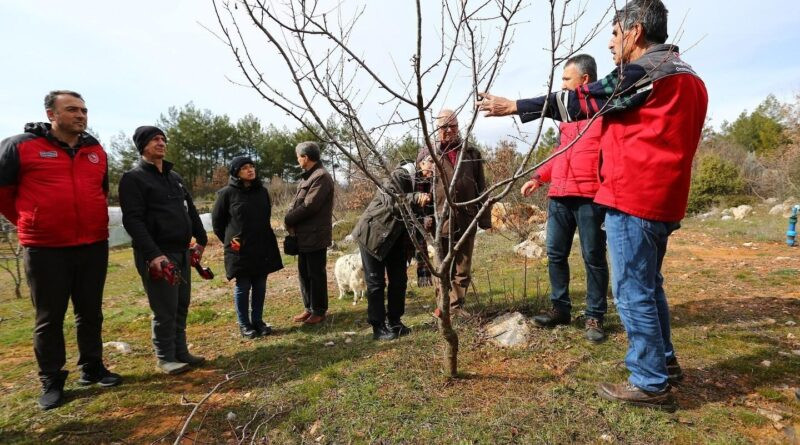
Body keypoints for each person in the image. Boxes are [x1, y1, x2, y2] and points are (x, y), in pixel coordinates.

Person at [477, 0, 707, 411]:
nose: (611, 44)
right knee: (650, 286)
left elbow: (582, 102)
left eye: (616, 34)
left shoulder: (647, 72)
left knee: (633, 290)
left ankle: (650, 380)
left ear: (636, 32)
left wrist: (515, 106)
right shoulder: (688, 75)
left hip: (634, 197)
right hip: (663, 198)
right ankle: (665, 364)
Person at [0, 90, 122, 410]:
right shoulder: (20, 146)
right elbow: (3, 195)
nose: (81, 115)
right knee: (49, 317)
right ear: (51, 114)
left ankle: (92, 367)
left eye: (83, 110)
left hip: (94, 244)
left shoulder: (95, 149)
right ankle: (51, 380)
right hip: (45, 248)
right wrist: (31, 223)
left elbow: (101, 191)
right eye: (71, 110)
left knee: (90, 312)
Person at [519, 54, 610, 343]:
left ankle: (595, 316)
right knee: (555, 254)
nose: (562, 85)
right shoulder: (567, 120)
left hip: (590, 198)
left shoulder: (605, 115)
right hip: (559, 196)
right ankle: (560, 309)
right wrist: (538, 178)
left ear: (585, 80)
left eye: (566, 79)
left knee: (593, 257)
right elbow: (559, 155)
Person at [119, 126, 208, 375]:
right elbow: (133, 221)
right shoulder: (133, 178)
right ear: (142, 146)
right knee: (164, 307)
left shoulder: (174, 177)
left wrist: (201, 239)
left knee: (181, 304)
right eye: (154, 139)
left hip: (182, 250)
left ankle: (181, 352)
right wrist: (153, 254)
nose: (161, 143)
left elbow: (190, 210)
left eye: (162, 139)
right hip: (158, 255)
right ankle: (165, 356)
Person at [352, 152, 434, 340]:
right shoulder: (401, 175)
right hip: (373, 234)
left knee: (399, 280)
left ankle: (395, 321)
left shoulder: (427, 183)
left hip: (396, 237)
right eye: (430, 162)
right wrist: (414, 198)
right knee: (376, 283)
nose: (434, 167)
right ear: (420, 162)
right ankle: (378, 327)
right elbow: (390, 200)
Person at [212, 156, 283, 339]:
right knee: (243, 286)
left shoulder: (262, 192)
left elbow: (265, 216)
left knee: (260, 285)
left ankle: (258, 321)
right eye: (245, 167)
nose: (250, 170)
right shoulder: (226, 194)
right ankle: (244, 325)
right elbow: (218, 224)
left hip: (261, 245)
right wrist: (232, 241)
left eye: (252, 166)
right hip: (239, 249)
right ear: (236, 172)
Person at [431, 110, 491, 317]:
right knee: (442, 267)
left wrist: (484, 218)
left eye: (453, 126)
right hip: (441, 220)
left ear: (458, 126)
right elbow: (420, 189)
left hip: (467, 217)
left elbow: (481, 186)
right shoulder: (428, 154)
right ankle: (443, 305)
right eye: (443, 127)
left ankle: (455, 307)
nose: (448, 130)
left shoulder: (471, 153)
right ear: (436, 129)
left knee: (463, 267)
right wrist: (425, 220)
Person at [285, 141, 334, 325]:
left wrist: (289, 219)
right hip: (304, 236)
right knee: (304, 273)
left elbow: (310, 206)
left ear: (305, 157)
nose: (297, 160)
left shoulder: (321, 177)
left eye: (298, 156)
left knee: (316, 274)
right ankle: (309, 308)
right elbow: (297, 202)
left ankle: (319, 310)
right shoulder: (308, 176)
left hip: (315, 235)